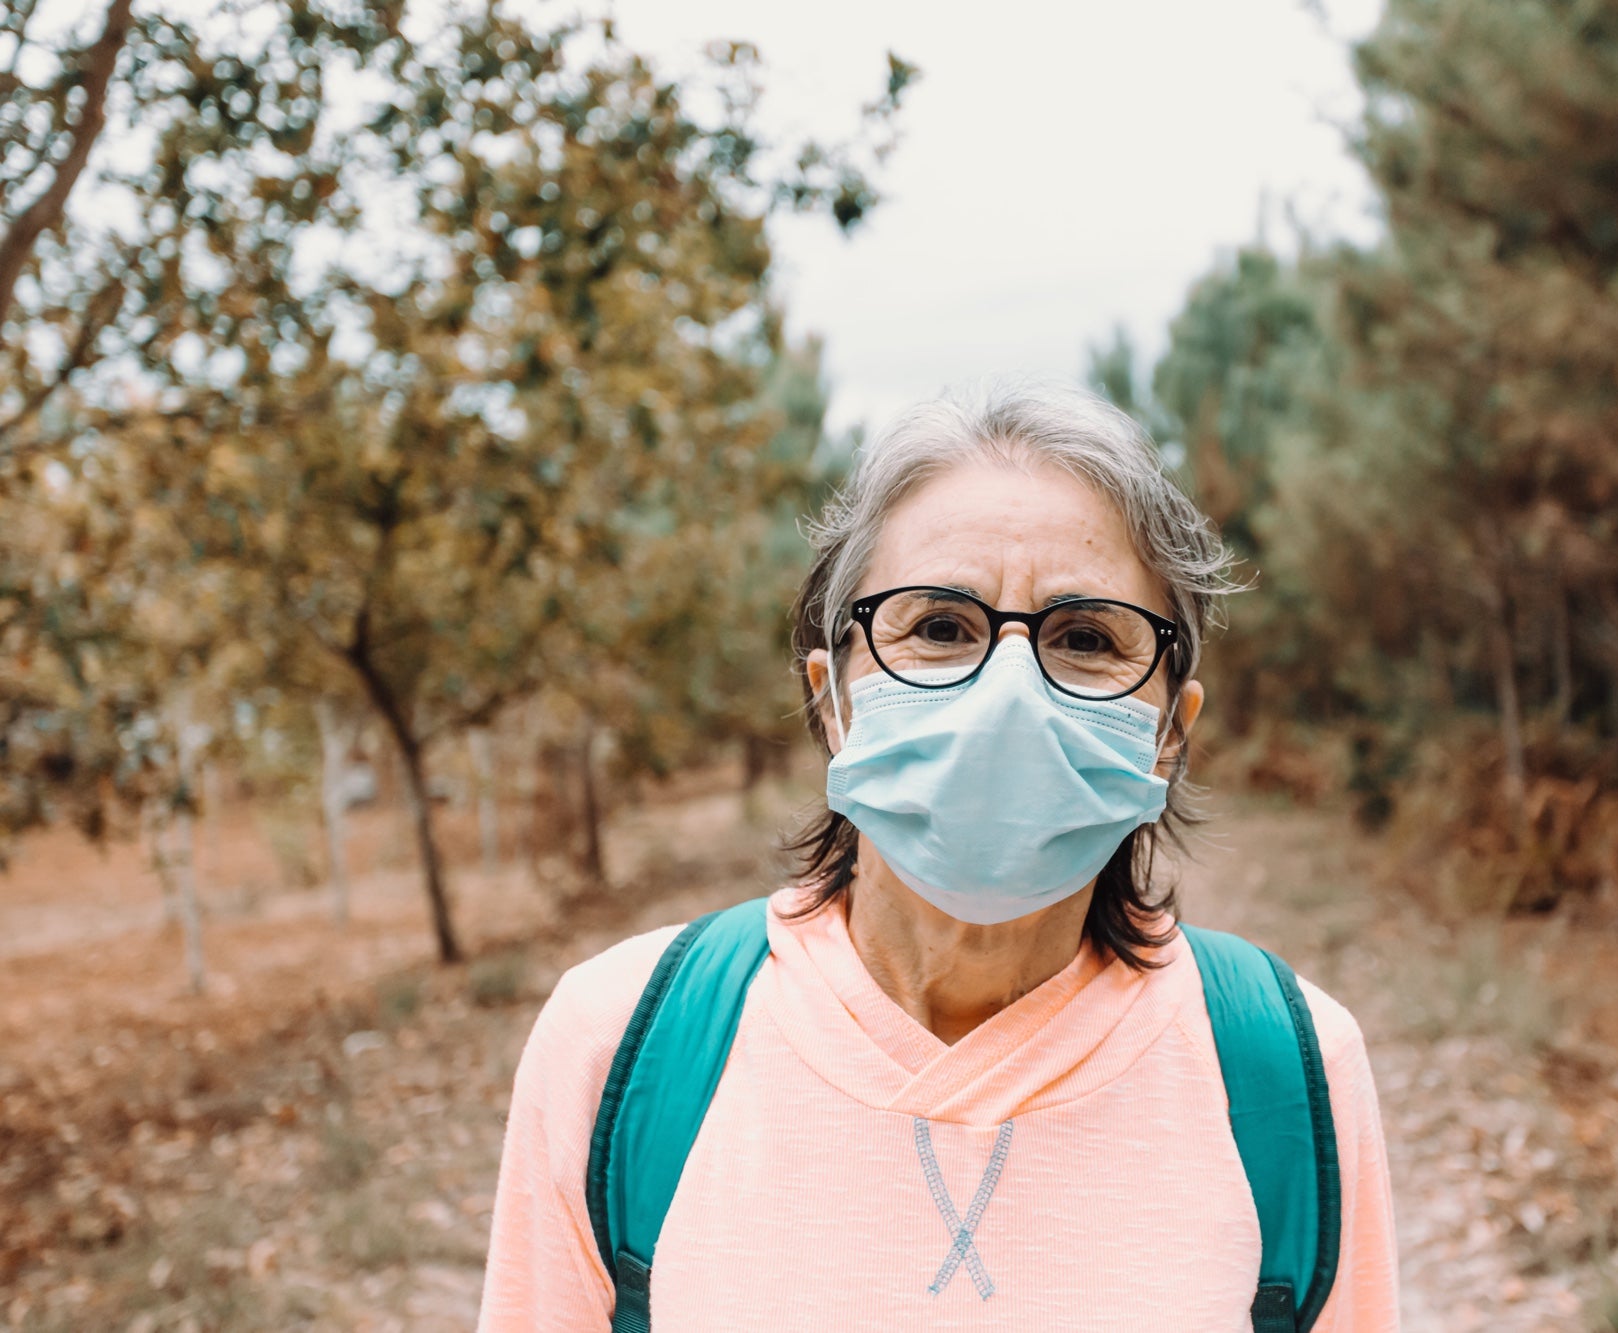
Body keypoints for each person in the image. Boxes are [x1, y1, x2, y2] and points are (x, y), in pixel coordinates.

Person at [476, 382, 1400, 1331]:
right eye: (938, 626)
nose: (1006, 690)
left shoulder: (1289, 1075)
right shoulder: (620, 1047)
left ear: (1169, 730)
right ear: (831, 698)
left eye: (1086, 638)